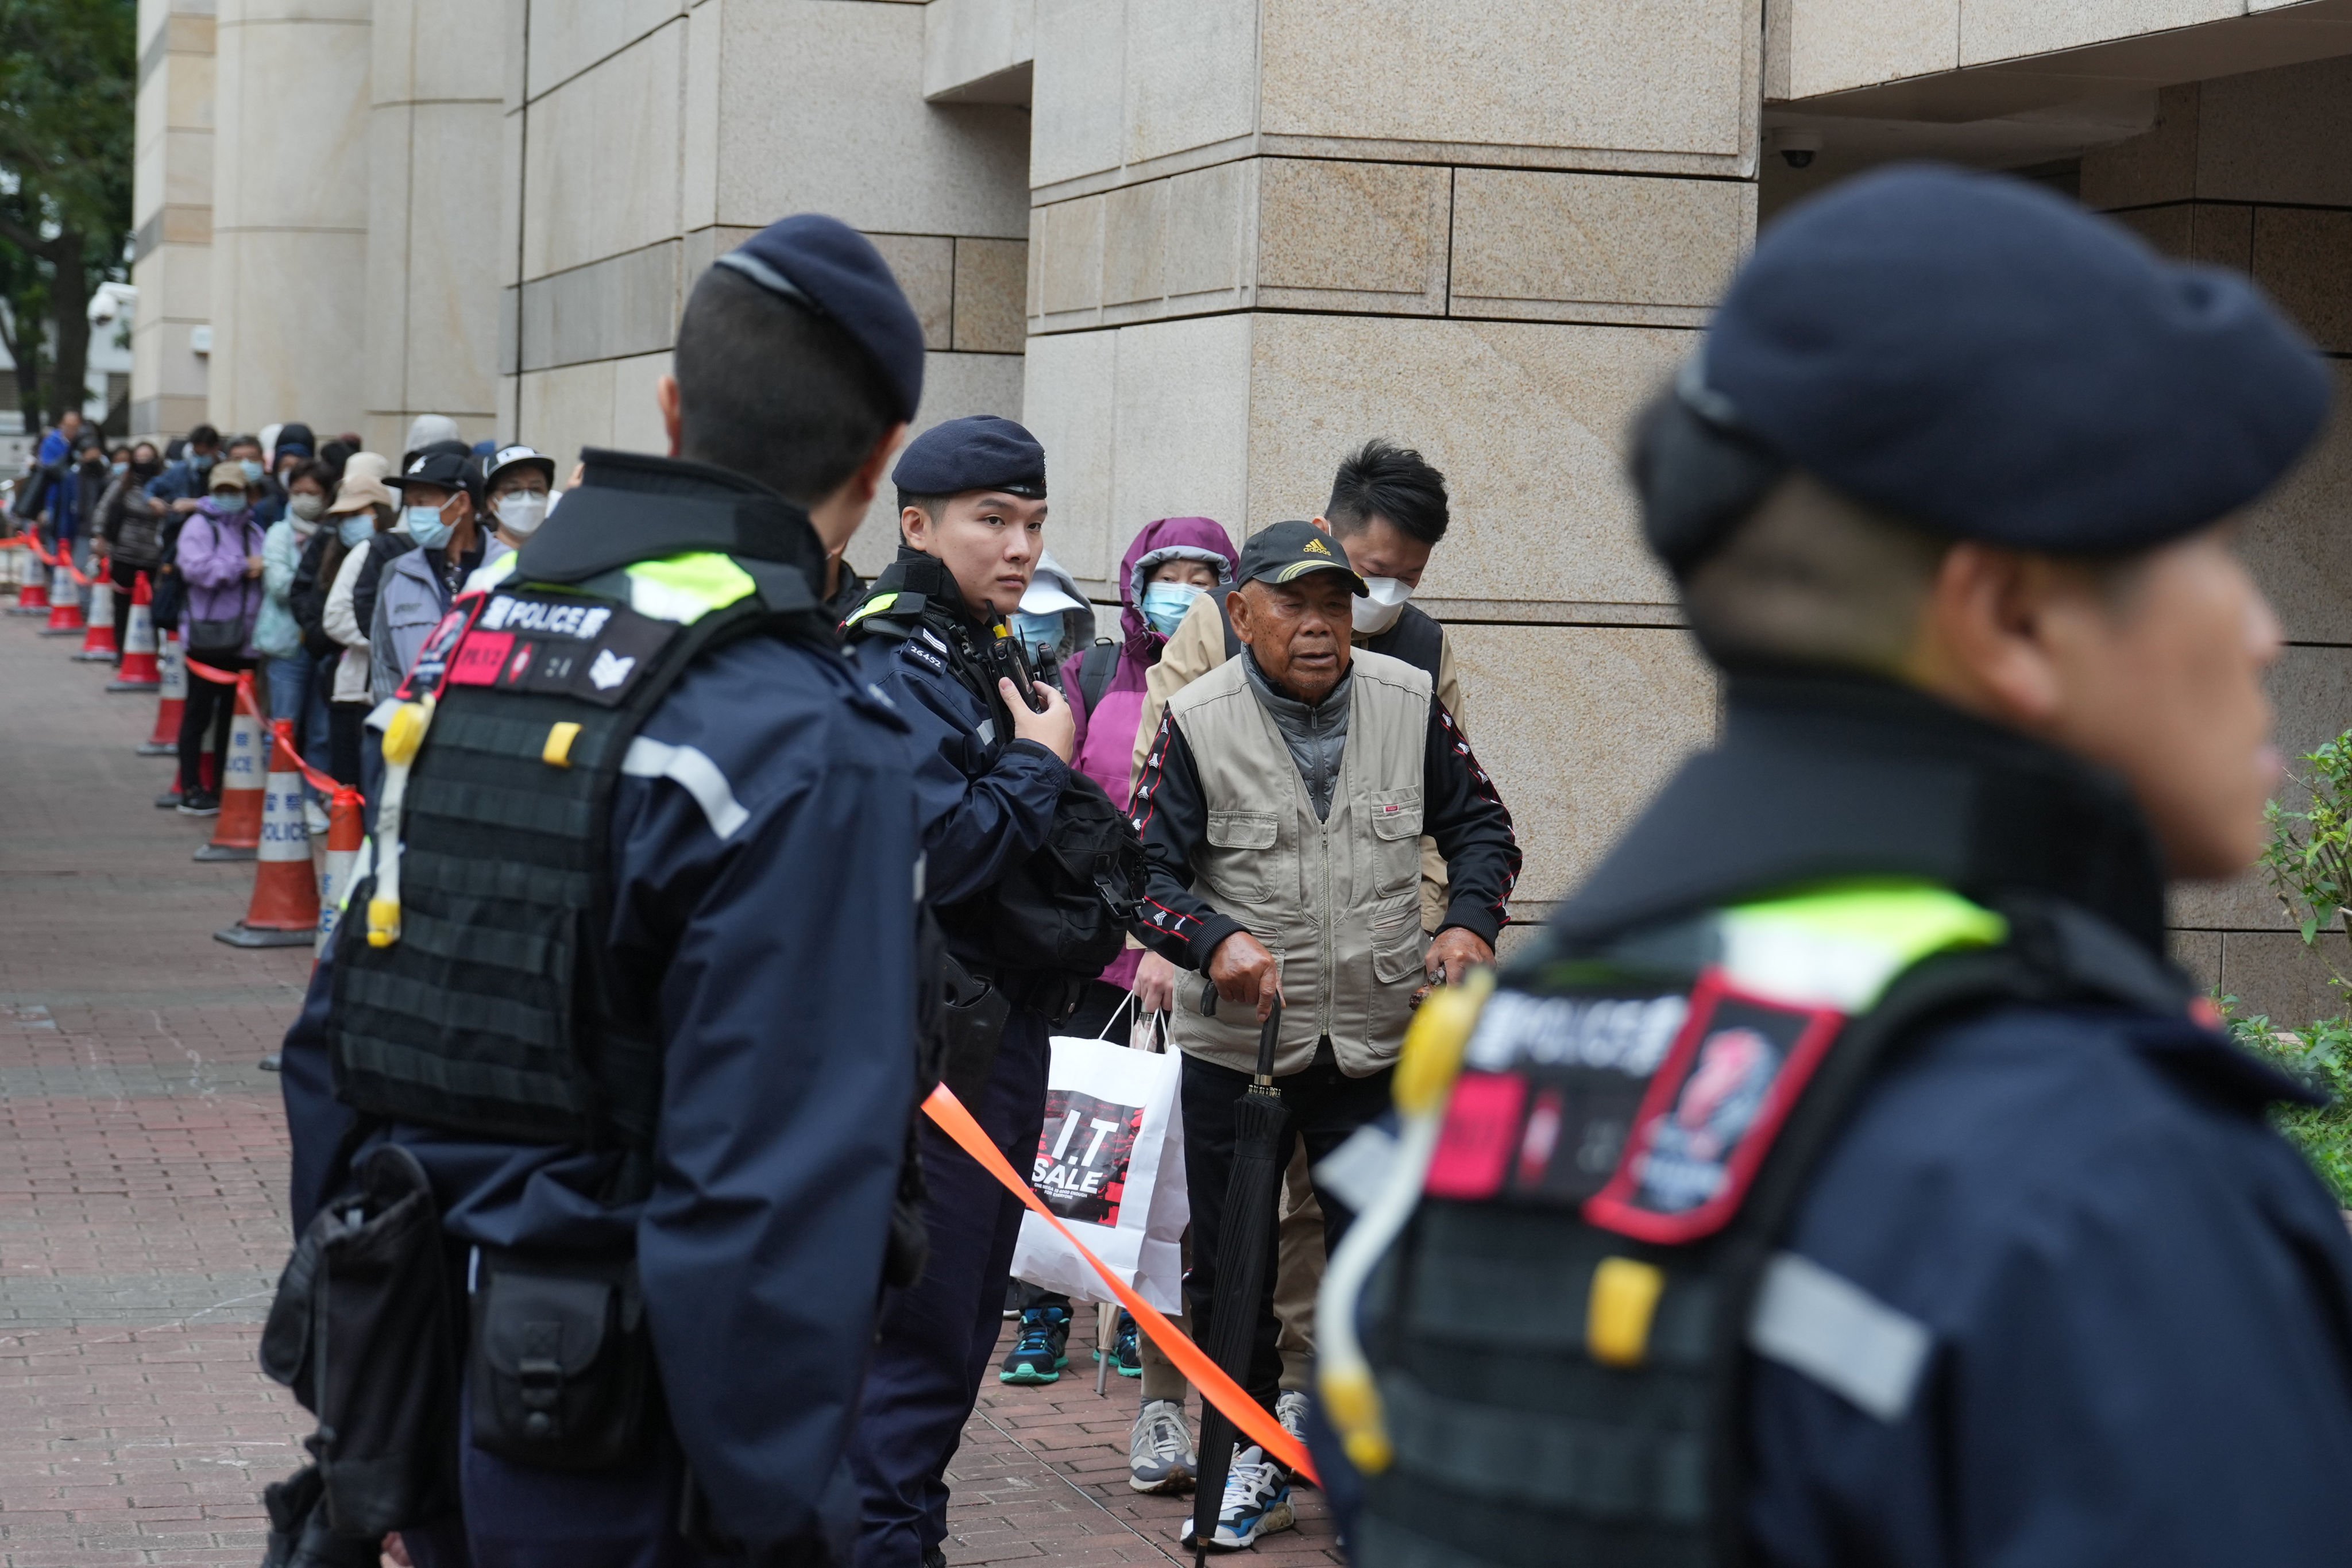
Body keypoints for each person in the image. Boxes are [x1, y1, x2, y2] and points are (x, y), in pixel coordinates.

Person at [1325, 164, 2352, 1568]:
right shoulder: (2103, 1188)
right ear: (2009, 614)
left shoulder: (1493, 1087)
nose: (2259, 637)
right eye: (2212, 555)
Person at [267, 213, 931, 1567]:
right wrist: (775, 1516)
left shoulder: (475, 641)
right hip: (632, 1438)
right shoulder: (802, 735)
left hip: (423, 1375)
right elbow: (775, 1191)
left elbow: (340, 1032)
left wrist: (365, 1377)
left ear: (671, 408)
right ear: (880, 463)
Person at [1129, 519, 1519, 1548]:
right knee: (1235, 1272)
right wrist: (1212, 939)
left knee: (1376, 1268)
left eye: (1336, 605)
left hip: (1380, 1041)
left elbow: (1484, 825)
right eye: (1295, 605)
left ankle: (1366, 1479)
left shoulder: (1405, 703)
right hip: (1241, 1051)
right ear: (1242, 613)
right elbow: (1140, 876)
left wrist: (1469, 924)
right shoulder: (1198, 721)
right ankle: (1243, 1464)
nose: (1319, 626)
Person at [839, 414, 1114, 1568]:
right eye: (992, 520)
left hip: (986, 1037)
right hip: (935, 1055)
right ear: (915, 524)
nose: (1019, 546)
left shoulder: (977, 645)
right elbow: (939, 856)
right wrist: (1037, 760)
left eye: (1035, 523)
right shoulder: (900, 653)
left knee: (946, 1345)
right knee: (922, 1343)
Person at [172, 462, 268, 816]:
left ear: (247, 493)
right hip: (206, 637)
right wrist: (243, 566)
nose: (228, 498)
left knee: (233, 717)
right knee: (197, 714)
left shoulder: (254, 530)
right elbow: (196, 569)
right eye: (222, 491)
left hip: (245, 643)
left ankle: (223, 786)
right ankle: (191, 786)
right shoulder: (199, 526)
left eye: (234, 491)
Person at [369, 447, 496, 702]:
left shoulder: (507, 569)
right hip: (413, 729)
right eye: (409, 505)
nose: (413, 514)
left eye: (422, 502)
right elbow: (384, 663)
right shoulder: (397, 572)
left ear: (461, 504)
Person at [306, 454, 396, 787]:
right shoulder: (347, 551)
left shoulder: (401, 549)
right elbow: (333, 617)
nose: (349, 522)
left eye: (358, 514)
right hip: (349, 683)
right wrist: (391, 641)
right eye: (345, 516)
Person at [254, 459, 333, 767]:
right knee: (283, 725)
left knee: (321, 731)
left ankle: (312, 798)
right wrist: (320, 592)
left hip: (325, 642)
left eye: (311, 493)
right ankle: (277, 796)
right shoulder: (280, 534)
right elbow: (279, 585)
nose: (303, 499)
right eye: (297, 492)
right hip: (287, 644)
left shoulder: (336, 533)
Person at [93, 441, 168, 658]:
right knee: (122, 605)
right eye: (140, 458)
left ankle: (150, 651)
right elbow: (104, 509)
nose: (144, 462)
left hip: (153, 555)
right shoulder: (123, 483)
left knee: (152, 605)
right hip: (125, 552)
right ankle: (121, 651)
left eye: (148, 458)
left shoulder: (164, 484)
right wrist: (100, 536)